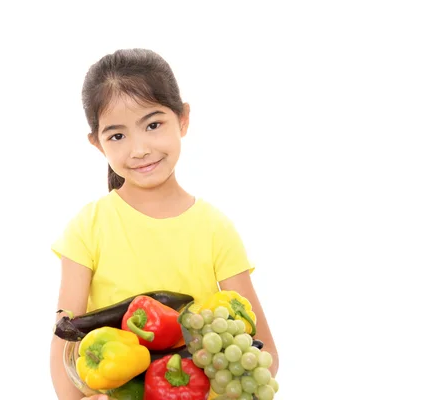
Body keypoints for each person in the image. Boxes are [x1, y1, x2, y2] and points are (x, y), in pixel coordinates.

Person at [49, 48, 279, 400]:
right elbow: (66, 342)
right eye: (117, 136)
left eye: (153, 125)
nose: (139, 149)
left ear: (183, 119)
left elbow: (264, 354)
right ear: (97, 143)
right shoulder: (88, 227)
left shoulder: (216, 228)